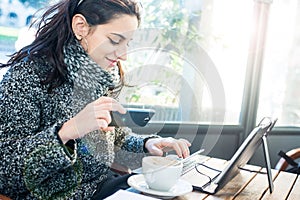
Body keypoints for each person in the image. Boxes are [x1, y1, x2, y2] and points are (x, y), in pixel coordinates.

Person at [0, 0, 191, 199]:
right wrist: (68, 131)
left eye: (127, 43)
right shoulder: (27, 77)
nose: (124, 55)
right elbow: (5, 173)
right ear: (81, 27)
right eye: (115, 40)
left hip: (103, 186)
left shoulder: (96, 73)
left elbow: (110, 137)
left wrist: (146, 144)